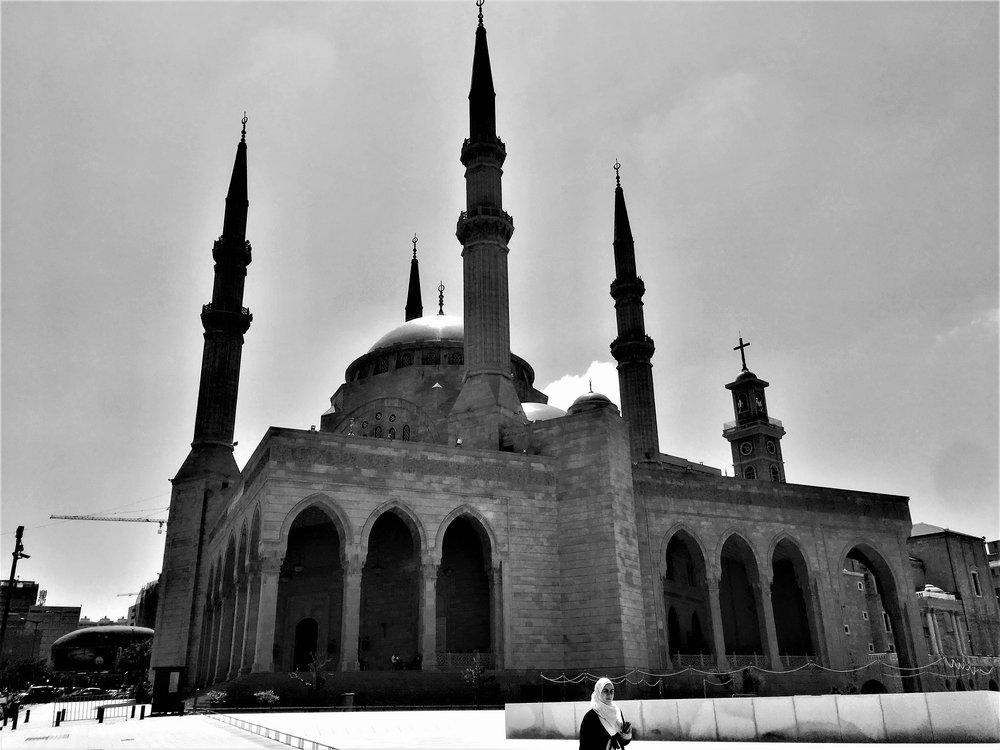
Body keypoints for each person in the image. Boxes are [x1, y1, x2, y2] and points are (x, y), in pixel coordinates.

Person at [578, 677, 632, 750]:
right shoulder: (591, 716)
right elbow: (584, 746)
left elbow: (623, 742)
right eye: (605, 691)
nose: (609, 695)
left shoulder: (617, 712)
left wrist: (626, 734)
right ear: (598, 692)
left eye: (611, 691)